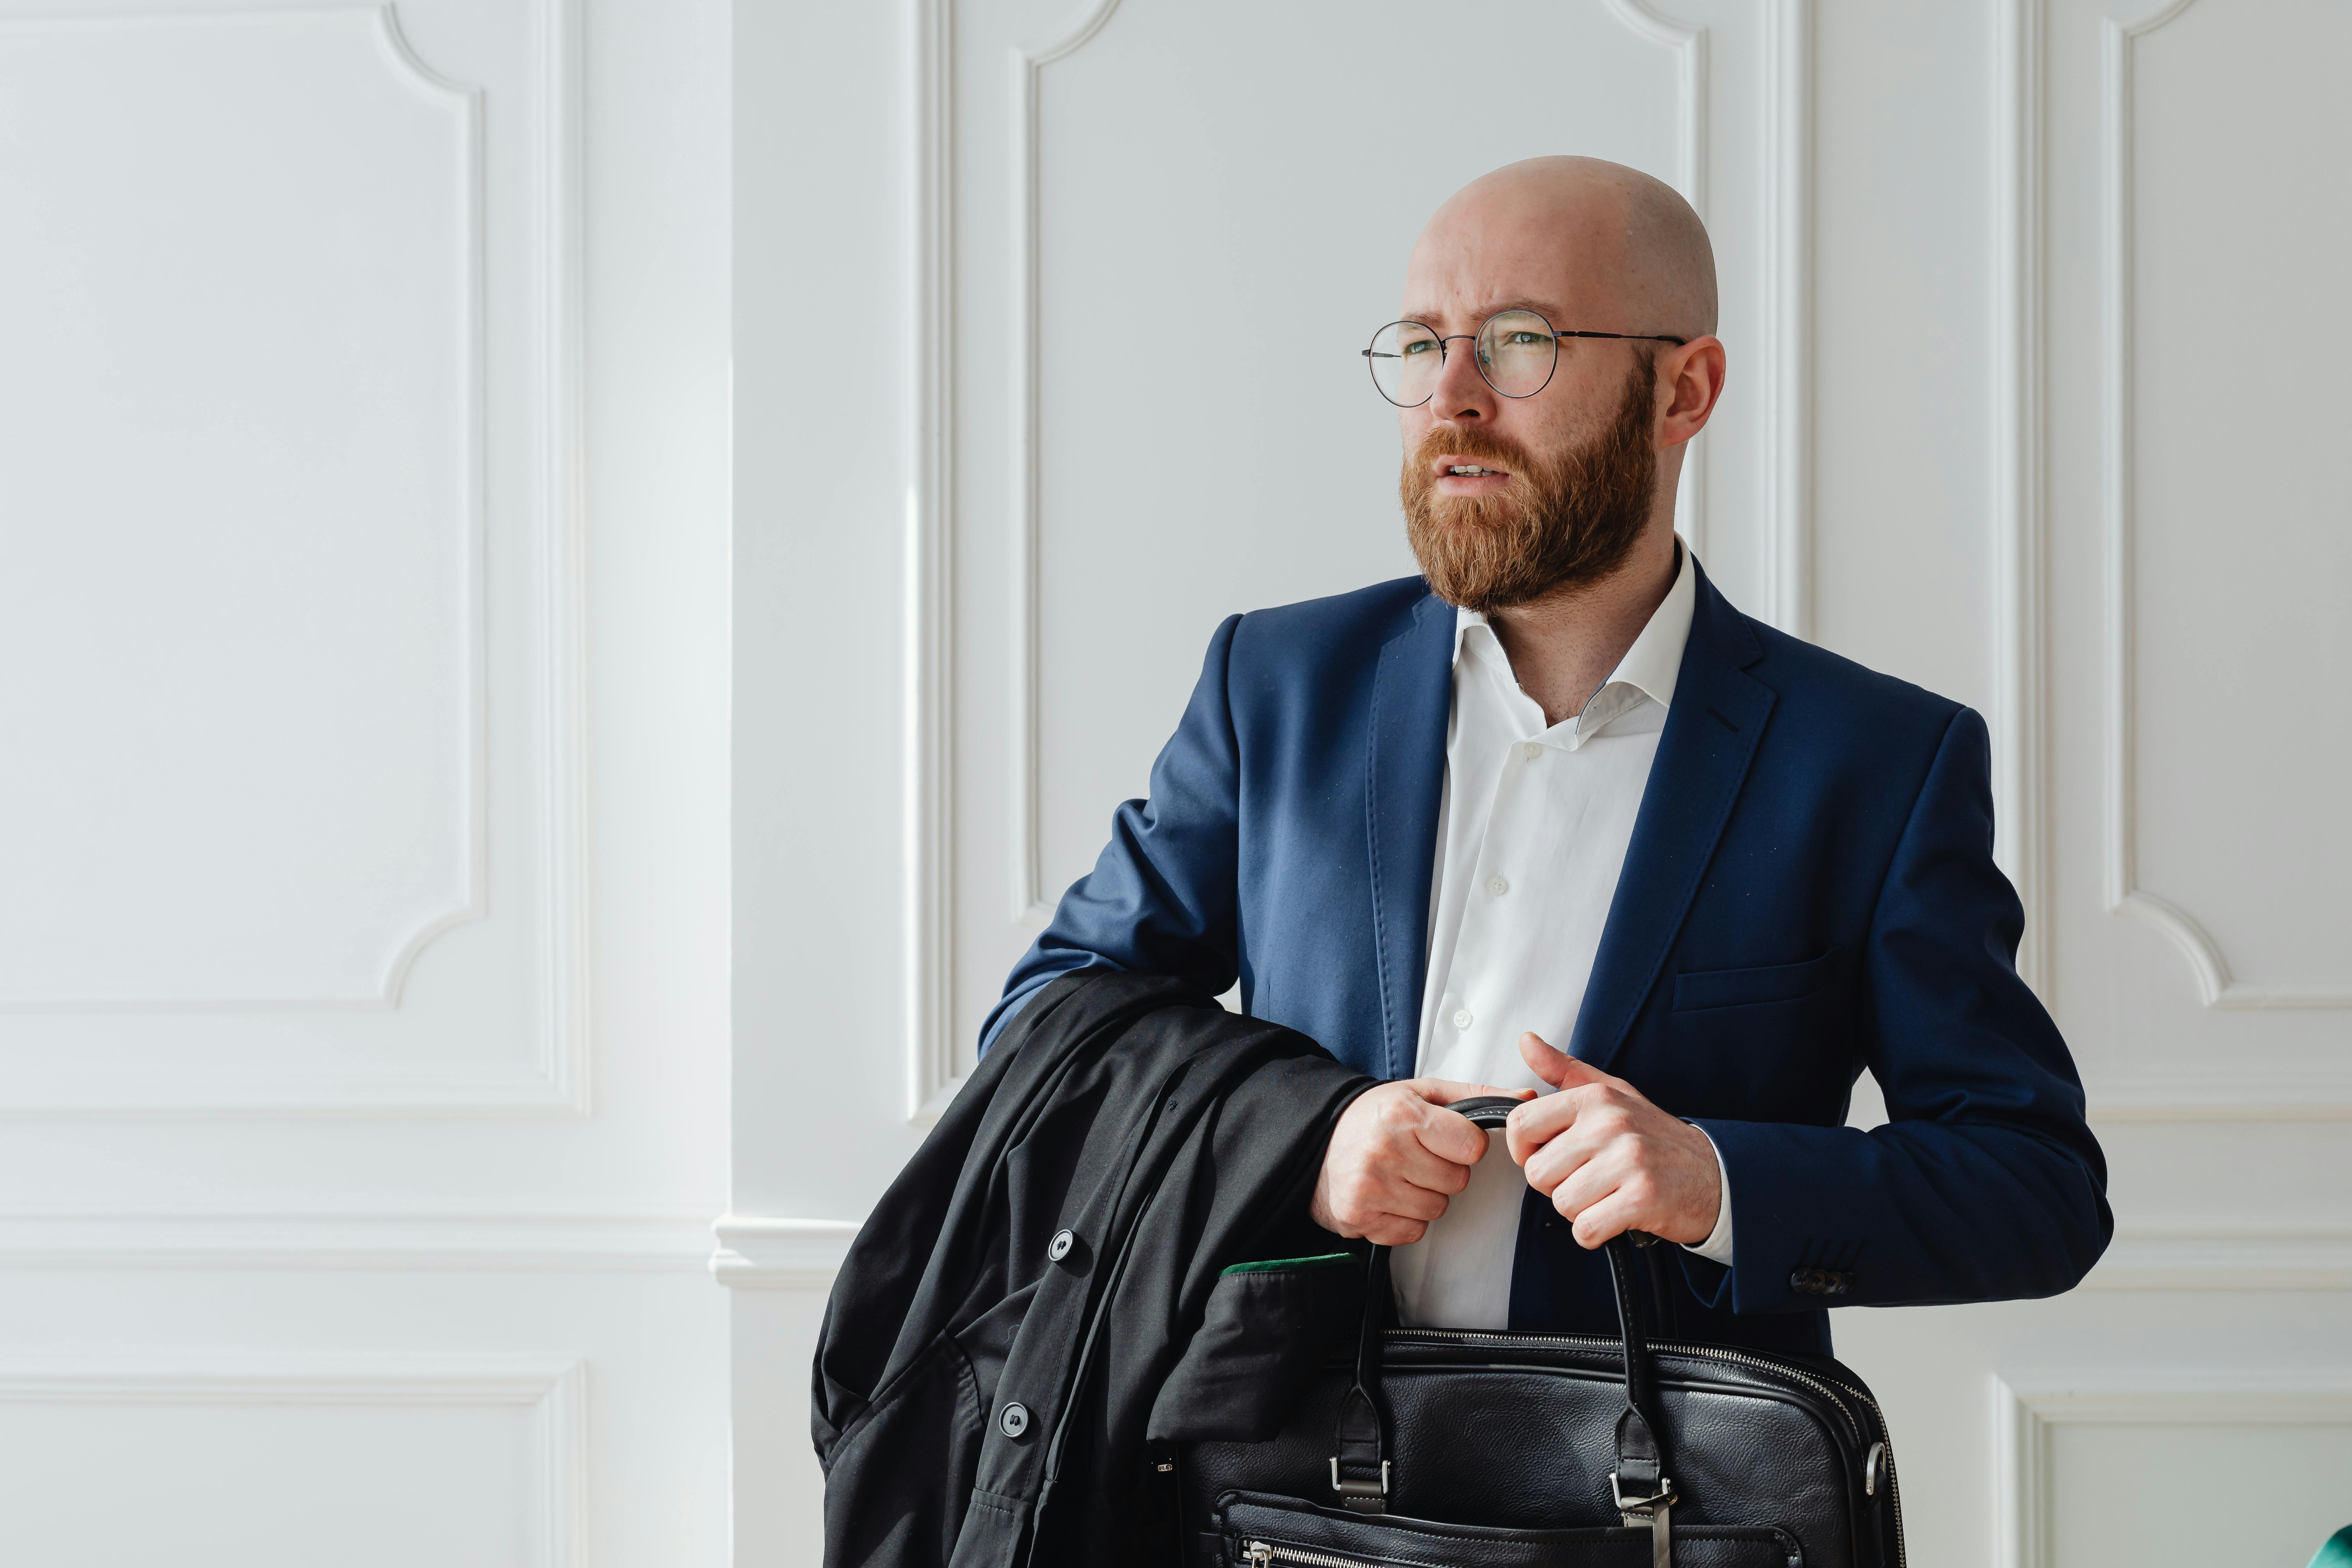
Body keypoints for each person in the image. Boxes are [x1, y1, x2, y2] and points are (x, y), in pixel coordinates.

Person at [980, 156, 2109, 1355]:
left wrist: (1716, 1182)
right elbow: (1050, 1030)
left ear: (1685, 390)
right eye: (1422, 343)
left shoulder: (1879, 761)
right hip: (1267, 1503)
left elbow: (2033, 1189)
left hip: (1659, 1518)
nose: (1453, 398)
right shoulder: (1274, 686)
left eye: (1519, 341)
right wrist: (1300, 1138)